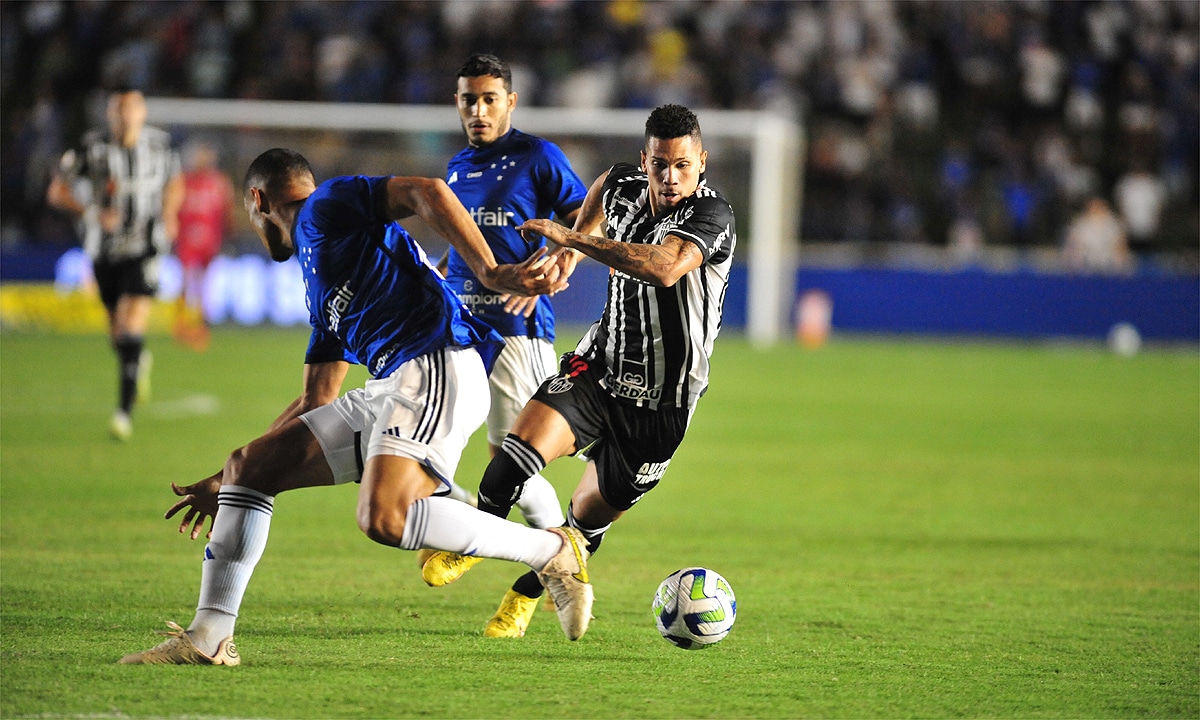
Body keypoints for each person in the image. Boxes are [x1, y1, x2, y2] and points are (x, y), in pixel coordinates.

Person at [118, 148, 594, 666]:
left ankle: (551, 551)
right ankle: (208, 638)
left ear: (258, 200)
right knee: (248, 469)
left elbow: (428, 191)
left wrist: (491, 272)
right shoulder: (317, 275)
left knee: (385, 518)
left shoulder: (325, 205)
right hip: (393, 382)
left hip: (435, 363)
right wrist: (221, 480)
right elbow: (315, 399)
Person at [421, 104, 737, 638]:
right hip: (601, 367)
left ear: (701, 162)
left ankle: (522, 600)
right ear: (646, 158)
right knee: (515, 453)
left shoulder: (712, 216)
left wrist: (570, 241)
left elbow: (663, 268)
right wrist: (566, 259)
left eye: (683, 165)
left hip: (664, 403)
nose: (670, 177)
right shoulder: (625, 182)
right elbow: (603, 187)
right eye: (660, 164)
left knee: (583, 524)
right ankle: (477, 538)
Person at [420, 53, 589, 586]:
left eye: (490, 99)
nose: (479, 109)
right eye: (469, 99)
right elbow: (465, 249)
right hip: (463, 327)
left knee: (512, 457)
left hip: (518, 326)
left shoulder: (537, 156)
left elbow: (588, 216)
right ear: (457, 103)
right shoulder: (455, 168)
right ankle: (468, 524)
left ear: (510, 102)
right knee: (438, 437)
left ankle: (553, 560)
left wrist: (562, 260)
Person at [46, 87, 184, 441]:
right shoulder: (89, 148)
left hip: (146, 246)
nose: (124, 116)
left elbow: (176, 184)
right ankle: (137, 360)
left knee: (132, 323)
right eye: (118, 110)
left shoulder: (161, 146)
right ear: (109, 114)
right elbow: (57, 191)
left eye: (130, 109)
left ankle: (123, 414)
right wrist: (92, 212)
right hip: (103, 251)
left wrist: (169, 213)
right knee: (118, 334)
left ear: (142, 112)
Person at [173, 140, 235, 351]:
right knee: (186, 280)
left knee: (204, 284)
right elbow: (173, 208)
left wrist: (229, 234)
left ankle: (199, 325)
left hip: (210, 239)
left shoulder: (219, 182)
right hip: (187, 238)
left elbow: (227, 211)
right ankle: (181, 323)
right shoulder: (183, 181)